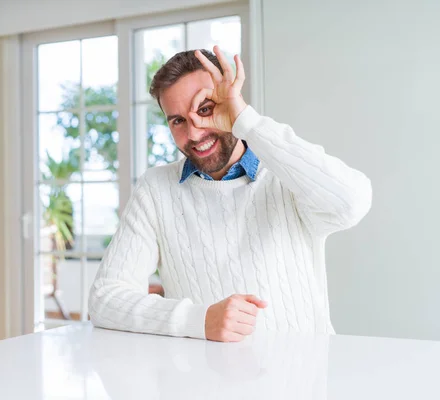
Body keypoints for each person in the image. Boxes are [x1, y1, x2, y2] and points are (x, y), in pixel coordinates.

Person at [88, 46, 372, 342]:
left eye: (205, 109)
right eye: (178, 121)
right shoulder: (155, 189)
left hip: (301, 380)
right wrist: (199, 320)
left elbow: (351, 203)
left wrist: (246, 121)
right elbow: (105, 300)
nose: (195, 133)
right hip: (203, 383)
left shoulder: (285, 176)